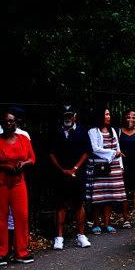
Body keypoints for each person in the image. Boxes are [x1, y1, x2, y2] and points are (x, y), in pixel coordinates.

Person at [0, 109, 36, 265]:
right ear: (2, 124)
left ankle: (21, 252)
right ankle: (1, 253)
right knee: (0, 218)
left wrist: (24, 164)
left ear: (16, 123)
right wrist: (3, 166)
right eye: (6, 121)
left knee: (22, 217)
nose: (9, 123)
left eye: (11, 121)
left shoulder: (24, 139)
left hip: (18, 183)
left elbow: (32, 158)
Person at [48, 106, 91, 250]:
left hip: (77, 173)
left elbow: (86, 152)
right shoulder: (56, 131)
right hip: (60, 174)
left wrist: (75, 168)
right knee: (61, 204)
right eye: (65, 115)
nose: (68, 118)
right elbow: (51, 153)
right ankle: (59, 237)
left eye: (70, 115)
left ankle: (81, 235)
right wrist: (61, 169)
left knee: (79, 204)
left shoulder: (82, 131)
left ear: (75, 116)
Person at [86, 108, 128, 235]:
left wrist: (121, 166)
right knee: (98, 197)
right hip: (99, 169)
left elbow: (118, 147)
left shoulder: (113, 130)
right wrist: (113, 153)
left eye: (109, 114)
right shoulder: (92, 131)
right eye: (106, 114)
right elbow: (94, 149)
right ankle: (96, 224)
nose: (109, 116)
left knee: (109, 197)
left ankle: (107, 223)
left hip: (113, 167)